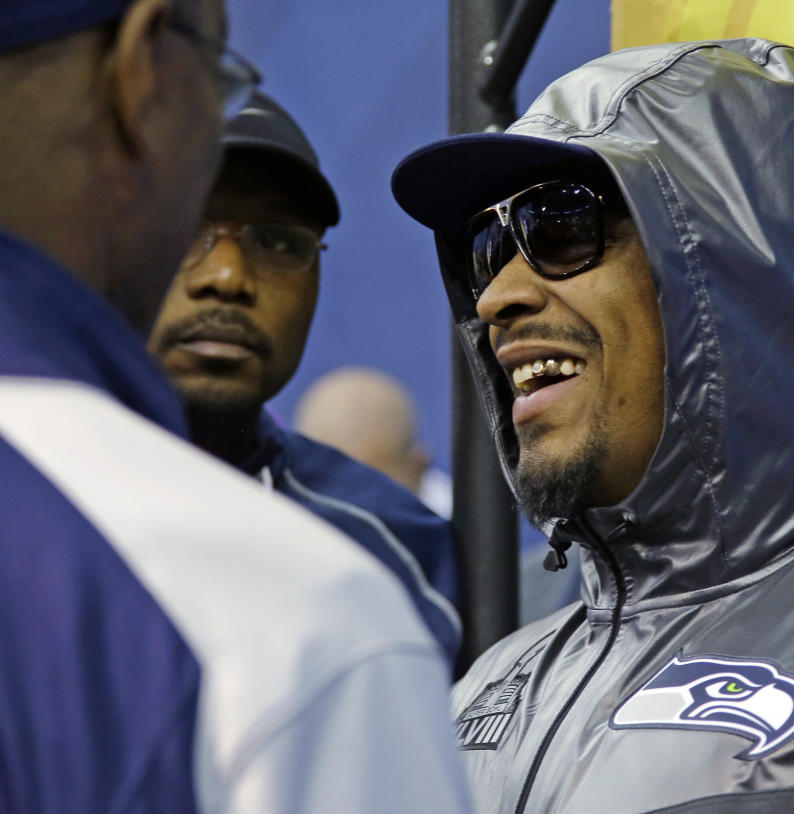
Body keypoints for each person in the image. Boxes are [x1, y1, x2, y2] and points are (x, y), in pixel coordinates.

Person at [392, 39, 794, 812]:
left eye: (558, 225)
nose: (496, 297)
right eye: (486, 249)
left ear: (741, 277)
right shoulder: (480, 698)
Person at [0, 3, 471, 812]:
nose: (226, 276)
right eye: (196, 225)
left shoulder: (393, 558)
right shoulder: (321, 609)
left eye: (278, 241)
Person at [148, 93, 461, 666]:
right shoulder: (27, 493)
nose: (227, 277)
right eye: (184, 227)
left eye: (276, 242)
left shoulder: (395, 544)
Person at [294, 365, 453, 517]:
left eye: (374, 491)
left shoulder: (462, 530)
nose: (352, 512)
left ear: (419, 466)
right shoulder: (283, 523)